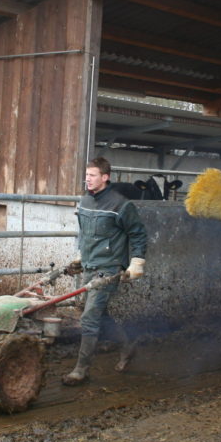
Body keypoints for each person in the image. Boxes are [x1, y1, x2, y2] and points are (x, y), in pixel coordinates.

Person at [62, 157, 148, 386]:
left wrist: (136, 262)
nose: (88, 179)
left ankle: (81, 370)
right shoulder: (85, 201)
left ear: (105, 177)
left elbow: (138, 234)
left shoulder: (120, 205)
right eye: (87, 175)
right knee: (97, 313)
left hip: (108, 269)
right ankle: (128, 345)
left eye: (92, 175)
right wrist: (80, 257)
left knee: (89, 317)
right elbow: (85, 233)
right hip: (90, 266)